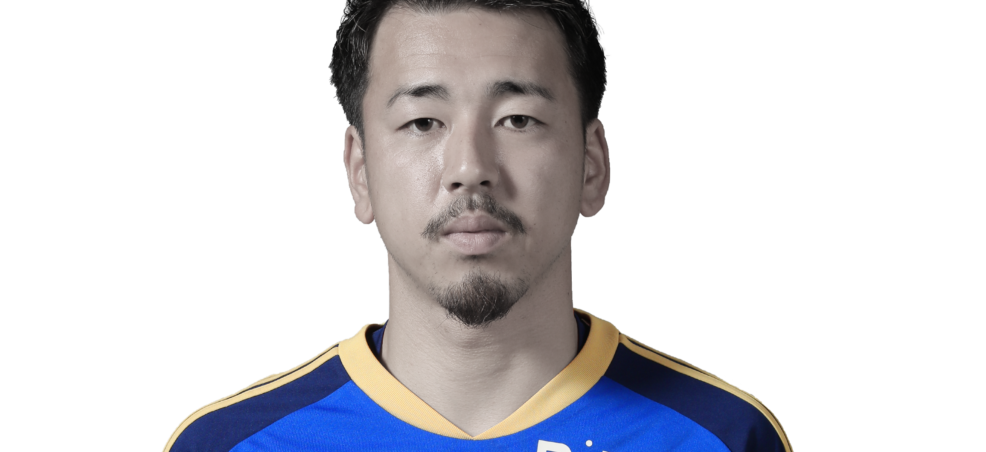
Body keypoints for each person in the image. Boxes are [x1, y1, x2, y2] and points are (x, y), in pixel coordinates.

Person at [163, 1, 792, 450]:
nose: (470, 169)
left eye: (518, 119)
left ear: (593, 165)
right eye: (423, 122)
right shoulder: (226, 444)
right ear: (359, 171)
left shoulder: (725, 436)